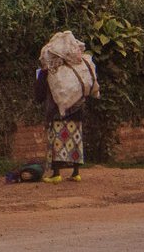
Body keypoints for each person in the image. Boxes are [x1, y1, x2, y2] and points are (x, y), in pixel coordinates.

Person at [33, 29, 99, 182]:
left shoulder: (49, 71)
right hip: (78, 110)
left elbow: (40, 93)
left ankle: (56, 174)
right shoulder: (78, 66)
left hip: (58, 112)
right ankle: (76, 173)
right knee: (76, 141)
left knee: (56, 141)